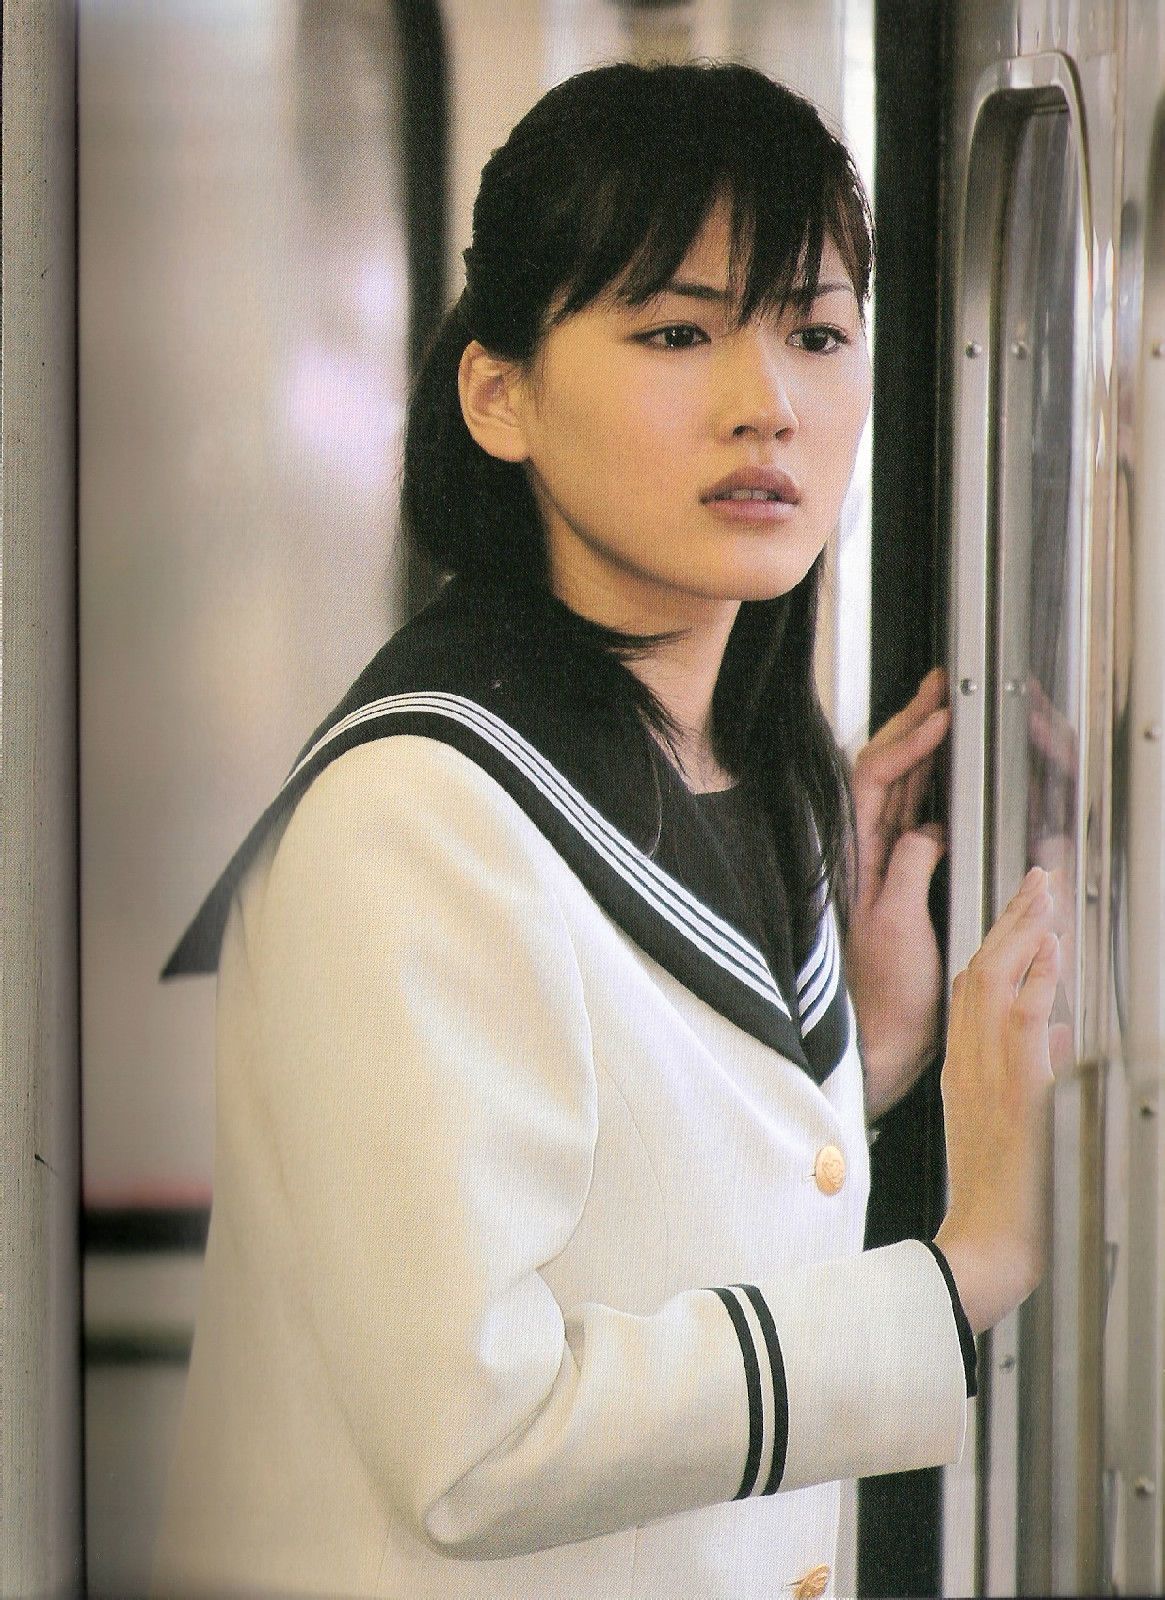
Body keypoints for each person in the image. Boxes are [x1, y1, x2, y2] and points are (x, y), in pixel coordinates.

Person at [153, 60, 1061, 1600]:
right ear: (497, 394)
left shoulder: (749, 771)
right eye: (675, 332)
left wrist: (860, 1065)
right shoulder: (418, 813)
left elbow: (624, 1205)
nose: (765, 401)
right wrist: (964, 1268)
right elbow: (477, 1439)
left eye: (815, 333)